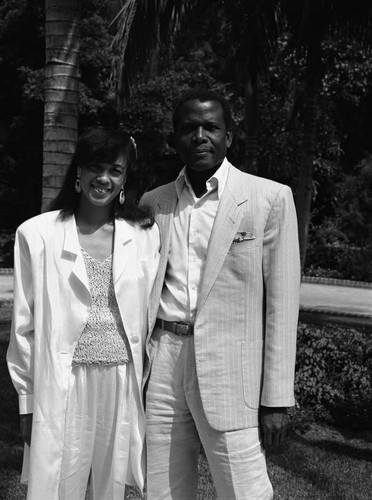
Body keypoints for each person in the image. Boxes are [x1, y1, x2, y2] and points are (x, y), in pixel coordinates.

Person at [141, 89, 301, 499]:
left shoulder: (268, 198)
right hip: (163, 363)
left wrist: (277, 400)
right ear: (174, 139)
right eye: (189, 128)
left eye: (210, 127)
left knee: (245, 491)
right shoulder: (153, 203)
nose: (200, 136)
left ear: (229, 136)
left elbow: (281, 307)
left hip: (232, 370)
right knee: (162, 489)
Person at [7, 127, 160, 500]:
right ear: (78, 172)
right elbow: (23, 326)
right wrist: (27, 403)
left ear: (125, 179)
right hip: (66, 378)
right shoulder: (37, 234)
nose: (103, 179)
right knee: (59, 485)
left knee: (112, 488)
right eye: (95, 167)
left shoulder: (143, 234)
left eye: (115, 170)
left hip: (121, 377)